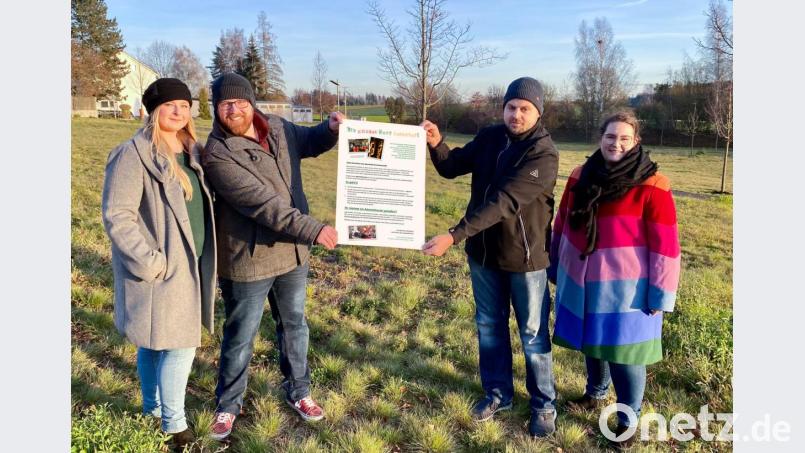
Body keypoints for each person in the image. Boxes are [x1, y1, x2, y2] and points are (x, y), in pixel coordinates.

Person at [201, 73, 345, 440]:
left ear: (252, 102)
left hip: (293, 254)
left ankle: (299, 391)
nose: (234, 109)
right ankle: (228, 405)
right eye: (225, 103)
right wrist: (313, 229)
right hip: (249, 259)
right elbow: (262, 205)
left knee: (294, 324)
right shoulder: (217, 153)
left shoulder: (279, 127)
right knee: (241, 335)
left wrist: (328, 129)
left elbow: (310, 141)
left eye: (241, 101)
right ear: (216, 108)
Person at [421, 77, 559, 438]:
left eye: (525, 108)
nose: (516, 114)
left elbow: (504, 203)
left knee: (532, 334)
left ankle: (544, 404)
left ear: (538, 112)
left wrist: (453, 234)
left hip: (525, 261)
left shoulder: (543, 154)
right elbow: (452, 166)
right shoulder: (490, 137)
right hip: (482, 256)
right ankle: (499, 393)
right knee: (489, 326)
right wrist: (437, 144)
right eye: (511, 106)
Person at [549, 111, 681, 449]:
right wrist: (554, 262)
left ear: (635, 141)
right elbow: (562, 221)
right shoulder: (581, 175)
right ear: (600, 138)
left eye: (624, 138)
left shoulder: (653, 185)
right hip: (582, 279)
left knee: (626, 355)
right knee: (593, 342)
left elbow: (666, 244)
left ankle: (628, 419)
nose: (616, 143)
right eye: (611, 137)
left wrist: (661, 293)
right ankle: (595, 394)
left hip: (629, 289)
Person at [101, 78, 217, 451]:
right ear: (154, 111)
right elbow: (117, 215)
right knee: (179, 344)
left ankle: (151, 410)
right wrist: (150, 262)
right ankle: (174, 426)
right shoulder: (133, 154)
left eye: (184, 104)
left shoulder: (193, 151)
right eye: (170, 105)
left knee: (153, 344)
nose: (179, 111)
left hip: (192, 262)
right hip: (162, 266)